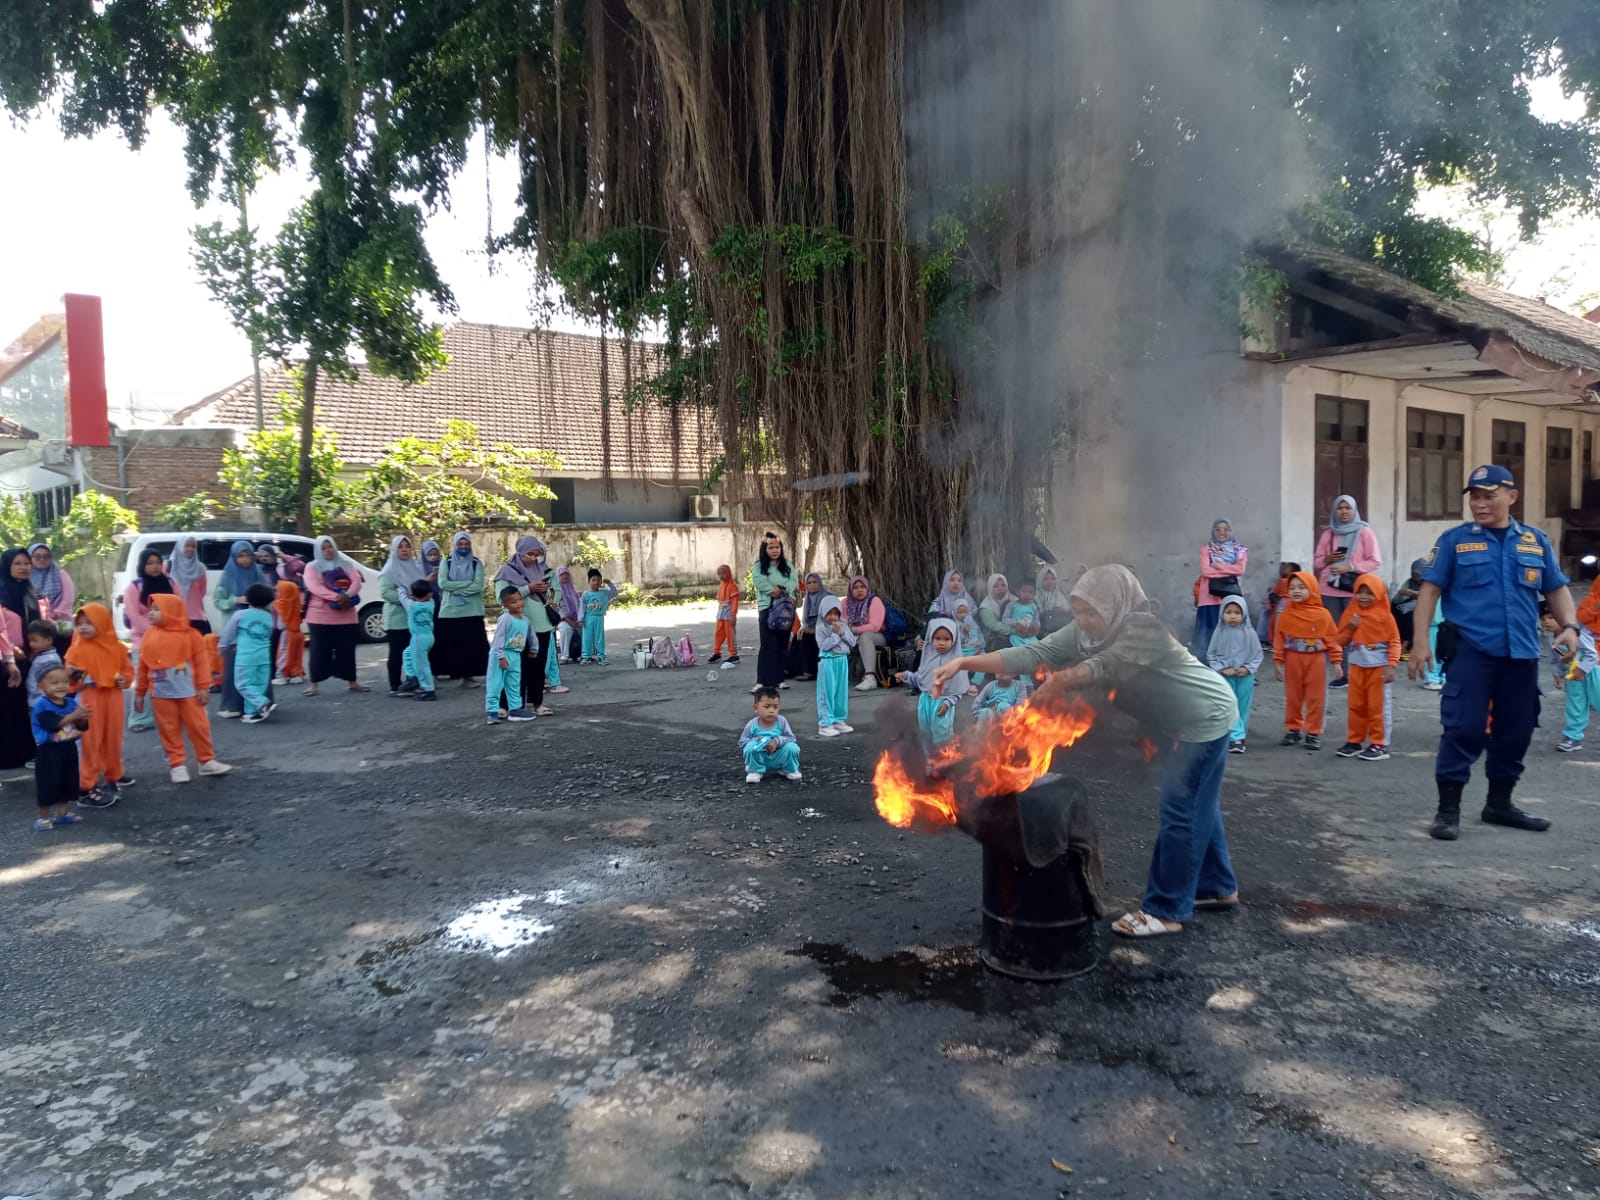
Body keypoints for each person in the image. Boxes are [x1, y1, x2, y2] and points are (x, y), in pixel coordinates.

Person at [933, 564, 1239, 939]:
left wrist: (1059, 680)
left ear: (1115, 606)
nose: (1083, 620)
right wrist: (964, 661)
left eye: (1091, 612)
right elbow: (1033, 652)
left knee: (1181, 810)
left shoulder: (1141, 629)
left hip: (1202, 718)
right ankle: (1218, 886)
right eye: (1077, 610)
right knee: (1197, 804)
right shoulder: (1083, 632)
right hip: (1173, 720)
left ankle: (1166, 909)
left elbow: (1103, 666)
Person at [1409, 464, 1580, 840]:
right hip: (1472, 650)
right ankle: (1448, 810)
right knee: (1464, 727)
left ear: (1511, 496)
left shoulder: (1534, 541)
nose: (1480, 504)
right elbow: (1430, 591)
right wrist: (1420, 641)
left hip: (1520, 652)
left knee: (1516, 731)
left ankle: (1498, 804)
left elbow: (1556, 589)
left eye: (1489, 496)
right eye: (1475, 497)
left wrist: (1569, 626)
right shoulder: (1454, 540)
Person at [133, 594, 232, 783]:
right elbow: (143, 667)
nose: (151, 613)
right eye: (151, 609)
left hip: (190, 692)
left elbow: (202, 663)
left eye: (156, 609)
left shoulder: (191, 635)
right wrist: (139, 693)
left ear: (171, 611)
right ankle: (176, 764)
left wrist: (204, 687)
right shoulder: (148, 636)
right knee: (168, 729)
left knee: (200, 726)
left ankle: (206, 761)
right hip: (161, 694)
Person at [65, 603, 134, 805]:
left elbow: (128, 670)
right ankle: (86, 786)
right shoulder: (75, 650)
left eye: (89, 623)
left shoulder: (117, 648)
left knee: (113, 736)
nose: (83, 627)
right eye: (79, 624)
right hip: (89, 697)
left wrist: (125, 679)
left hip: (113, 696)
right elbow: (69, 675)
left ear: (102, 623)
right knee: (90, 740)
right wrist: (79, 678)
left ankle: (113, 775)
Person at [1272, 571, 1344, 750]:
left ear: (1312, 589)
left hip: (1316, 661)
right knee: (1293, 697)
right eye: (1292, 587)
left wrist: (1337, 662)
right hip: (1293, 660)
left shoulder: (1323, 615)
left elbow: (1332, 639)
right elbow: (1279, 640)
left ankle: (1313, 732)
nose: (1296, 591)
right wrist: (1278, 661)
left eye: (1302, 587)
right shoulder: (1286, 615)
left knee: (1316, 698)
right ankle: (1293, 729)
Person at [1334, 574, 1401, 761]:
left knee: (1377, 706)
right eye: (1360, 592)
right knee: (1356, 705)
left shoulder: (1386, 617)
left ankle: (1379, 744)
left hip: (1378, 668)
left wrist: (1392, 665)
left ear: (1379, 595)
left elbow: (1394, 642)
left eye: (1369, 593)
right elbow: (1339, 641)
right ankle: (1354, 741)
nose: (1364, 597)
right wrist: (1351, 628)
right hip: (1356, 666)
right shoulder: (1350, 614)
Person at [495, 535, 559, 715]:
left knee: (538, 668)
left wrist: (548, 594)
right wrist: (527, 589)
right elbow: (502, 598)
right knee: (514, 668)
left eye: (536, 555)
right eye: (529, 554)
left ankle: (537, 704)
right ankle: (506, 705)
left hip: (542, 625)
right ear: (520, 552)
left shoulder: (541, 570)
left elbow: (552, 592)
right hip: (517, 628)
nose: (533, 558)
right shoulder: (506, 571)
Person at [303, 536, 369, 697]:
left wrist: (347, 594)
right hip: (319, 616)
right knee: (319, 650)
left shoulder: (347, 564)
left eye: (330, 546)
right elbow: (314, 587)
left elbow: (356, 582)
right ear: (318, 550)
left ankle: (352, 682)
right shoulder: (312, 567)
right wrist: (336, 597)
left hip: (346, 615)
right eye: (324, 548)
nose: (328, 550)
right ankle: (314, 685)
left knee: (347, 650)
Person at [897, 617, 965, 761]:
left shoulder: (955, 662)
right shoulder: (928, 659)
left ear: (953, 641)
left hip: (942, 701)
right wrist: (906, 676)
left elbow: (958, 689)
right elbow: (920, 679)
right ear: (930, 639)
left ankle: (947, 760)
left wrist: (948, 703)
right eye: (937, 638)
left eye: (946, 639)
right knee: (925, 732)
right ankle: (931, 760)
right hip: (925, 701)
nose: (941, 642)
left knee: (942, 733)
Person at [31, 665, 89, 831]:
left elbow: (82, 727)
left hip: (68, 746)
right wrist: (74, 716)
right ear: (40, 687)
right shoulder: (41, 705)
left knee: (68, 781)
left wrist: (83, 718)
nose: (61, 686)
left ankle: (61, 814)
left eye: (64, 681)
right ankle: (43, 817)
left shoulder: (71, 702)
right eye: (54, 682)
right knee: (48, 783)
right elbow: (52, 725)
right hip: (49, 750)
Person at [123, 549, 173, 731]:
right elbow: (134, 617)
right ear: (143, 566)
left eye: (158, 563)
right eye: (150, 563)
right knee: (142, 679)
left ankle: (169, 717)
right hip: (143, 641)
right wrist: (155, 633)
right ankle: (140, 719)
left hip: (170, 641)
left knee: (170, 679)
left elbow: (178, 608)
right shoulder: (134, 587)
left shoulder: (171, 584)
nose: (155, 567)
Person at [2, 547, 43, 768]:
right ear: (8, 566)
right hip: (5, 659)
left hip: (29, 656)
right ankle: (9, 756)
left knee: (25, 705)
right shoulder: (1, 591)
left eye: (26, 563)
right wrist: (8, 649)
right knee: (8, 705)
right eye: (17, 563)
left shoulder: (32, 590)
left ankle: (27, 751)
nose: (23, 567)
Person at [1314, 495, 1382, 628]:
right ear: (1334, 511)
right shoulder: (1328, 533)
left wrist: (1351, 567)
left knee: (1354, 627)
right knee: (1332, 627)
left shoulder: (1365, 532)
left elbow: (1375, 561)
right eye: (1339, 508)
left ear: (1354, 510)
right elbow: (1317, 563)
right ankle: (1336, 650)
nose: (1344, 511)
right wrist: (1328, 559)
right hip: (1328, 588)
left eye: (1348, 508)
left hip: (1354, 588)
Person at [1207, 595, 1261, 755]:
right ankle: (1235, 737)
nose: (1232, 616)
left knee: (1243, 706)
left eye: (1237, 612)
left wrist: (1248, 668)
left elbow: (1257, 655)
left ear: (1244, 614)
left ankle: (1239, 735)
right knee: (1229, 704)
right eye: (1228, 612)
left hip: (1245, 676)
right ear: (1222, 613)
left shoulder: (1250, 633)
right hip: (1226, 675)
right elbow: (1212, 655)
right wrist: (1223, 668)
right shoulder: (1219, 632)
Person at [1543, 602, 1599, 753]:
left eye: (1550, 617)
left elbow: (1592, 655)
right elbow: (1555, 658)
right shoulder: (1551, 638)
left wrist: (1582, 669)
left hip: (1591, 672)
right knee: (1575, 705)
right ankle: (1572, 737)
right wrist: (1557, 674)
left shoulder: (1577, 634)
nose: (1546, 622)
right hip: (1572, 676)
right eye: (1542, 619)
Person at [435, 532, 488, 686]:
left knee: (471, 647)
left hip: (472, 611)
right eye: (460, 544)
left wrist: (455, 589)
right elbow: (443, 584)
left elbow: (478, 586)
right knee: (451, 646)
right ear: (455, 545)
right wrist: (466, 584)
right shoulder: (447, 562)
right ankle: (446, 675)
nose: (463, 547)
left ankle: (468, 677)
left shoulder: (476, 563)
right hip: (450, 612)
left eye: (466, 544)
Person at [378, 535, 424, 696]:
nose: (404, 549)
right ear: (394, 549)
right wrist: (407, 598)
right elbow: (385, 592)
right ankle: (395, 685)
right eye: (400, 546)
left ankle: (413, 682)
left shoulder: (416, 568)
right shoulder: (389, 570)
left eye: (407, 546)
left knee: (414, 653)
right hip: (397, 618)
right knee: (397, 653)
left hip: (415, 618)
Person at [1193, 519, 1248, 655]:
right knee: (1206, 639)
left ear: (1231, 531)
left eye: (1226, 529)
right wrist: (1230, 568)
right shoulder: (1206, 549)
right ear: (1213, 531)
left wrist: (1218, 566)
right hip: (1209, 599)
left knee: (1230, 636)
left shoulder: (1239, 550)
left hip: (1231, 597)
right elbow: (1206, 571)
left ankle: (1228, 669)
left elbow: (1240, 570)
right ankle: (1208, 671)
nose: (1222, 532)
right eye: (1218, 529)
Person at [753, 534, 800, 690]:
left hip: (785, 608)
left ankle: (780, 679)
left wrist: (781, 589)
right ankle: (762, 681)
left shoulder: (787, 565)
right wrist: (771, 589)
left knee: (782, 644)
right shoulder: (759, 566)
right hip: (767, 607)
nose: (774, 550)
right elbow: (759, 581)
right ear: (765, 549)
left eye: (777, 547)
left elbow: (793, 581)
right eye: (771, 547)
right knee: (768, 645)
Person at [486, 585, 534, 724]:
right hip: (501, 654)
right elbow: (499, 639)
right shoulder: (505, 619)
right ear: (505, 604)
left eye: (519, 599)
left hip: (516, 654)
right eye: (513, 602)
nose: (518, 603)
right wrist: (501, 656)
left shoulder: (525, 620)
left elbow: (531, 636)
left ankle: (515, 709)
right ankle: (492, 712)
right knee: (495, 683)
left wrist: (534, 649)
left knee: (514, 683)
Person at [740, 686, 803, 783]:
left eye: (775, 707)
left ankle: (789, 769)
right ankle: (755, 771)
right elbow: (743, 742)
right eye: (766, 706)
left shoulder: (782, 721)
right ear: (756, 708)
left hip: (778, 755)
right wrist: (757, 741)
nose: (771, 710)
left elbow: (791, 738)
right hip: (761, 756)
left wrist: (777, 741)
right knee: (750, 747)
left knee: (792, 747)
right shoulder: (752, 724)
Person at [814, 595, 856, 738]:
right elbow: (824, 646)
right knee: (827, 693)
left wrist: (842, 632)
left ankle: (838, 719)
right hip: (828, 661)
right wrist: (836, 635)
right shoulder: (820, 628)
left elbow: (852, 641)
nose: (833, 617)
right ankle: (825, 723)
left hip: (842, 660)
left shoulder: (842, 625)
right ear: (823, 613)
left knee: (840, 692)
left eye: (835, 613)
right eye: (829, 614)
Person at [235, 583, 278, 724]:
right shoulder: (269, 617)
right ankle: (252, 713)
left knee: (243, 684)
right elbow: (269, 634)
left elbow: (229, 633)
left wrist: (222, 646)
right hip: (264, 656)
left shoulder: (240, 614)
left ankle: (262, 703)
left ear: (248, 599)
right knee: (258, 684)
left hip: (245, 657)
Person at [29, 541, 75, 652]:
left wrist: (54, 614)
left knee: (63, 651)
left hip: (60, 622)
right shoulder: (26, 577)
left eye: (46, 556)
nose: (42, 559)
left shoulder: (60, 574)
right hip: (36, 624)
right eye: (37, 556)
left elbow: (68, 598)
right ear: (30, 558)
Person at [398, 578, 438, 700]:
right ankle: (412, 677)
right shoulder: (431, 603)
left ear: (413, 594)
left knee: (421, 665)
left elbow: (402, 597)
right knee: (407, 653)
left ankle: (428, 689)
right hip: (429, 637)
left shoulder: (412, 606)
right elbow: (425, 596)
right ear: (429, 594)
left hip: (418, 638)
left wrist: (401, 589)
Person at [846, 575, 887, 691]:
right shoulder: (846, 603)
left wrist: (854, 629)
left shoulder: (874, 601)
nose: (859, 590)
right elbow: (842, 622)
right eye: (856, 587)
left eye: (862, 587)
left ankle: (870, 678)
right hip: (854, 636)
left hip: (879, 636)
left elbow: (875, 626)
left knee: (865, 637)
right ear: (850, 590)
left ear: (867, 588)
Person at [167, 534, 212, 633]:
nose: (190, 549)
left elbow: (202, 591)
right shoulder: (169, 567)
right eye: (186, 546)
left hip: (197, 618)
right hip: (175, 617)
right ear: (180, 546)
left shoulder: (200, 569)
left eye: (193, 546)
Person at [788, 571, 826, 680]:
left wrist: (815, 630)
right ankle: (791, 669)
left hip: (825, 631)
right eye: (809, 583)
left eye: (815, 582)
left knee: (807, 637)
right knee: (798, 636)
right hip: (811, 629)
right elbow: (805, 620)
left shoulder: (826, 598)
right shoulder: (808, 599)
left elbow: (829, 620)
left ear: (820, 583)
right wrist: (803, 628)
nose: (812, 585)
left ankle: (809, 671)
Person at [213, 540, 261, 624]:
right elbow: (218, 602)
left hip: (255, 623)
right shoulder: (227, 577)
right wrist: (236, 600)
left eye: (248, 555)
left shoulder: (258, 574)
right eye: (241, 556)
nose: (245, 559)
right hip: (233, 624)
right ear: (234, 557)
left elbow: (269, 600)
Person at [581, 569, 619, 664]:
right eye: (593, 580)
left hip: (599, 617)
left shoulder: (604, 593)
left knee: (599, 637)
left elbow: (614, 592)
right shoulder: (585, 594)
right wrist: (581, 618)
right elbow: (581, 607)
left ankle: (601, 656)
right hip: (588, 617)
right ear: (589, 581)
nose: (596, 582)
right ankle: (586, 656)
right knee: (587, 637)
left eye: (598, 580)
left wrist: (610, 583)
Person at [273, 579, 307, 684]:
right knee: (297, 654)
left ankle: (281, 675)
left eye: (278, 591)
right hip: (297, 632)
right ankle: (296, 674)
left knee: (284, 653)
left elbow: (280, 625)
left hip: (287, 633)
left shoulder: (281, 604)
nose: (276, 593)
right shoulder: (296, 602)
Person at [1391, 558, 1428, 650]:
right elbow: (1396, 601)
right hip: (1410, 606)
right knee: (1394, 609)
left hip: (1426, 608)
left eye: (1418, 575)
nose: (1416, 578)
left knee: (1411, 617)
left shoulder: (1430, 582)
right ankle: (1401, 640)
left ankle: (1407, 643)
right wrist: (1402, 593)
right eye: (1414, 575)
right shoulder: (1410, 582)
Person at [25, 620, 63, 705]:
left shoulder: (50, 660)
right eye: (29, 641)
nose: (31, 644)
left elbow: (52, 684)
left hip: (42, 704)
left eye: (35, 640)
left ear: (49, 640)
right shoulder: (45, 656)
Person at [711, 564, 741, 666]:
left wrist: (733, 615)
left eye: (723, 573)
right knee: (718, 633)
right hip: (721, 614)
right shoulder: (721, 585)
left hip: (729, 615)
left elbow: (734, 602)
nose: (721, 576)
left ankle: (734, 655)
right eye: (719, 574)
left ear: (728, 573)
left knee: (730, 635)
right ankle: (717, 653)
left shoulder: (732, 586)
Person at [976, 574, 1015, 650]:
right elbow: (993, 625)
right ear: (990, 588)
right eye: (996, 586)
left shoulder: (1015, 600)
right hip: (993, 640)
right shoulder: (985, 606)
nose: (1000, 588)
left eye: (1003, 585)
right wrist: (1013, 631)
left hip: (1015, 636)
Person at [556, 565, 584, 664]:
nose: (564, 576)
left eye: (566, 574)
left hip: (576, 619)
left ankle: (584, 654)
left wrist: (579, 620)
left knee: (585, 628)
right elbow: (557, 609)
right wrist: (570, 621)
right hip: (562, 619)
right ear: (558, 577)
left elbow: (579, 606)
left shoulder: (573, 589)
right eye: (562, 574)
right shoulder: (556, 591)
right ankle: (564, 656)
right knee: (565, 629)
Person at [1036, 566, 1072, 635]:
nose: (1049, 582)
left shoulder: (1062, 595)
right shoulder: (1035, 597)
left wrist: (1063, 611)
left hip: (1062, 632)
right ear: (1040, 580)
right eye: (1045, 579)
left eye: (1053, 579)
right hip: (1042, 633)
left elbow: (1069, 612)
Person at [1007, 579, 1042, 648]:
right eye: (1024, 591)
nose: (1027, 595)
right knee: (1021, 650)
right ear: (1018, 592)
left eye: (1030, 592)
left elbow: (1037, 621)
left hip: (1030, 635)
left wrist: (1035, 626)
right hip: (1016, 634)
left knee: (1036, 649)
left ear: (1034, 594)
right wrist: (1015, 624)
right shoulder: (1012, 605)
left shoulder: (1034, 606)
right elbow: (1005, 619)